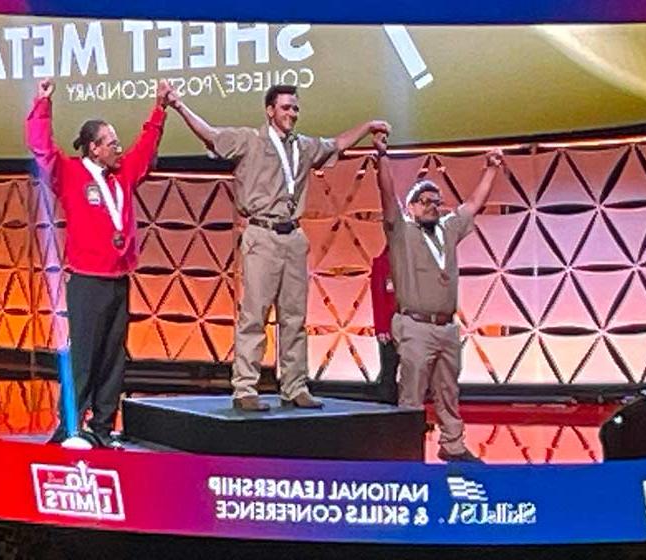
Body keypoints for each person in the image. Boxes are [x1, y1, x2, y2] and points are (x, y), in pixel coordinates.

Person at [171, 84, 390, 411]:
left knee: (294, 318)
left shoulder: (304, 147)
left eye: (295, 109)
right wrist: (178, 104)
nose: (291, 114)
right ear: (270, 110)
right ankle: (245, 388)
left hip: (294, 237)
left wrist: (368, 127)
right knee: (254, 315)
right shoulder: (250, 140)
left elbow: (338, 144)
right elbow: (210, 135)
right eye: (285, 108)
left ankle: (294, 386)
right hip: (262, 234)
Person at [25, 77, 173, 447]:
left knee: (112, 358)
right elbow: (41, 149)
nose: (118, 148)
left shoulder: (123, 175)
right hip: (87, 281)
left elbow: (145, 145)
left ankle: (104, 427)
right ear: (93, 149)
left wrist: (160, 108)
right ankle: (70, 427)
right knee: (84, 358)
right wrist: (43, 104)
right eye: (111, 143)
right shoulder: (70, 173)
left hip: (119, 279)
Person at [373, 132, 502, 462]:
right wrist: (383, 158)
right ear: (412, 207)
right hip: (415, 325)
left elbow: (473, 205)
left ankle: (453, 445)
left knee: (449, 390)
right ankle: (405, 452)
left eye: (436, 200)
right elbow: (387, 196)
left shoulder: (448, 228)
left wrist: (490, 169)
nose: (432, 205)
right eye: (425, 200)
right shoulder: (402, 231)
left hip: (446, 327)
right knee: (412, 392)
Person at [370, 245, 399, 405]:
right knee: (389, 369)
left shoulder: (414, 262)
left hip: (411, 325)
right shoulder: (382, 263)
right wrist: (381, 328)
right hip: (389, 327)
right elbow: (378, 298)